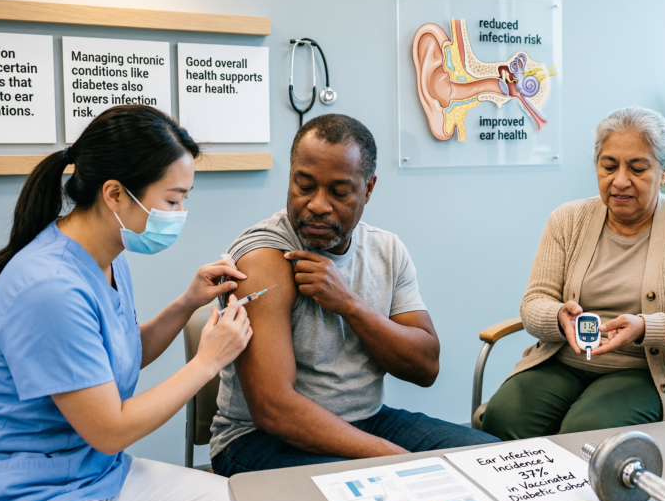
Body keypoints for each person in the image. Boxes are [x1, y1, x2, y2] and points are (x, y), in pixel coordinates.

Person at [0, 106, 253, 501]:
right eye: (172, 200)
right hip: (11, 495)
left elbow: (122, 355)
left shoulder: (107, 256)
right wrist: (208, 361)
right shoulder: (50, 287)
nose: (178, 214)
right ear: (115, 194)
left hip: (93, 471)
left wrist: (187, 302)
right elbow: (110, 429)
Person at [209, 113, 498, 475]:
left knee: (491, 459)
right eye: (304, 185)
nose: (317, 204)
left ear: (368, 189)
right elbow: (273, 410)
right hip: (257, 441)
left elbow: (425, 367)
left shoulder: (386, 250)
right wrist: (392, 458)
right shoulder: (264, 258)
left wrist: (350, 305)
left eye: (339, 191)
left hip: (368, 421)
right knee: (385, 489)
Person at [480, 107, 665, 440]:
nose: (620, 180)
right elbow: (534, 302)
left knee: (584, 433)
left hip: (645, 372)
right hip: (562, 361)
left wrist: (645, 327)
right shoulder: (567, 219)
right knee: (502, 417)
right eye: (609, 166)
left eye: (637, 168)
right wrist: (559, 316)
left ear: (664, 170)